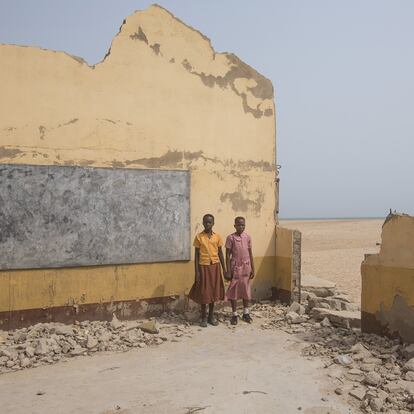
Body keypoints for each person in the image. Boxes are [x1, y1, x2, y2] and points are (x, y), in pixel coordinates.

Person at [189, 214, 226, 327]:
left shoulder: (217, 237)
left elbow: (220, 253)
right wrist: (197, 272)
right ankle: (203, 317)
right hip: (203, 267)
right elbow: (196, 256)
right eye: (205, 222)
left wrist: (224, 269)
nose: (207, 224)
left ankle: (211, 316)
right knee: (204, 293)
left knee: (213, 292)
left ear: (213, 223)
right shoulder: (199, 237)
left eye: (209, 222)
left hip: (214, 267)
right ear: (203, 223)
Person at [225, 216, 255, 325]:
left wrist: (253, 268)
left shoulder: (247, 237)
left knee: (245, 289)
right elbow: (227, 254)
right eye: (238, 225)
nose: (241, 227)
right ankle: (234, 314)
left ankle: (246, 313)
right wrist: (228, 270)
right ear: (235, 226)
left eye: (243, 225)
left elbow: (250, 253)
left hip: (246, 266)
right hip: (235, 267)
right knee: (234, 290)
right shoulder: (230, 238)